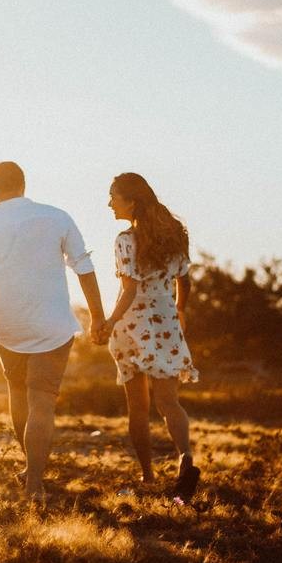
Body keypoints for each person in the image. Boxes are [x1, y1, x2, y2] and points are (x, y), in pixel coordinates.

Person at [0, 161, 107, 502]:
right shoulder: (57, 217)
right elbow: (84, 269)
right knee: (41, 403)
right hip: (53, 325)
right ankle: (34, 485)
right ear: (23, 184)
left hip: (9, 328)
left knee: (18, 395)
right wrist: (98, 318)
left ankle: (31, 472)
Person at [99, 172, 200, 499]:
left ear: (131, 200)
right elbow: (184, 282)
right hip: (166, 323)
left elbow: (129, 290)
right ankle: (185, 457)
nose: (109, 203)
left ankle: (147, 477)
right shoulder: (174, 235)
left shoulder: (125, 240)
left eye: (113, 196)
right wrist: (180, 311)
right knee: (169, 402)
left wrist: (110, 320)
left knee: (138, 408)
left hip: (132, 325)